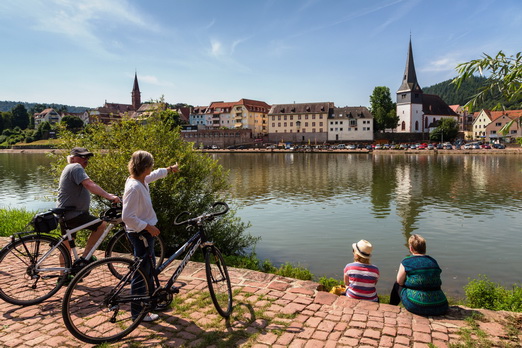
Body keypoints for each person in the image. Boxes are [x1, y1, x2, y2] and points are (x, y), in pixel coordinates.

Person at [122, 150, 179, 322]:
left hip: (145, 232)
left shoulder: (141, 179)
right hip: (141, 234)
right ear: (145, 167)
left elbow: (154, 175)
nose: (152, 167)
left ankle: (150, 302)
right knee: (142, 274)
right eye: (151, 164)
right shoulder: (134, 187)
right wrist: (147, 227)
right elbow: (127, 217)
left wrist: (169, 169)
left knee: (149, 268)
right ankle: (138, 313)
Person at [57, 147, 120, 259]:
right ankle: (86, 257)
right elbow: (90, 185)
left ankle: (64, 275)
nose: (85, 159)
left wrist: (108, 194)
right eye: (82, 156)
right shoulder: (76, 167)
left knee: (66, 247)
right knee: (101, 225)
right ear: (72, 158)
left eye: (87, 157)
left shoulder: (69, 168)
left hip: (65, 213)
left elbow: (89, 186)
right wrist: (109, 197)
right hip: (75, 214)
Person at [389, 234, 449, 316]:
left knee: (397, 285)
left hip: (416, 305)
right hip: (440, 305)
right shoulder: (433, 261)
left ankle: (391, 308)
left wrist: (408, 283)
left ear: (411, 248)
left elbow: (400, 282)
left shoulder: (406, 262)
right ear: (424, 248)